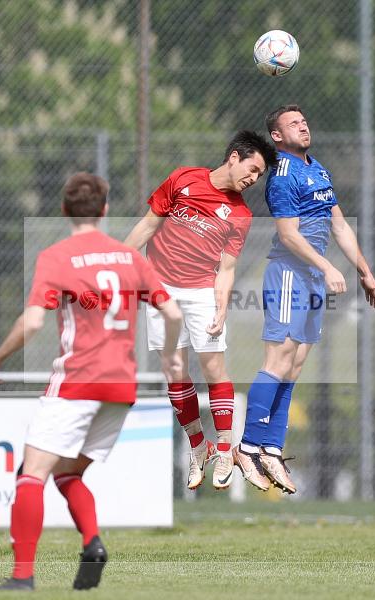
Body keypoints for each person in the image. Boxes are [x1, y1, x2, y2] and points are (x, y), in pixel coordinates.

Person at [0, 173, 183, 591]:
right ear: (106, 210)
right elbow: (174, 313)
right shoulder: (130, 258)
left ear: (64, 210)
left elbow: (34, 320)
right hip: (120, 387)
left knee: (30, 475)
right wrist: (169, 358)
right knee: (68, 474)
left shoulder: (57, 256)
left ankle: (22, 578)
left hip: (77, 382)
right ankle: (92, 544)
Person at [234, 105, 375, 493]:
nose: (303, 125)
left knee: (295, 366)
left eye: (304, 120)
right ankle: (248, 447)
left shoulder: (318, 169)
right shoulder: (282, 174)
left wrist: (363, 270)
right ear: (278, 137)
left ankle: (271, 448)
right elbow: (288, 235)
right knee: (277, 358)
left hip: (313, 278)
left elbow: (339, 224)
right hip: (288, 273)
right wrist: (328, 267)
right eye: (293, 123)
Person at [124, 130, 278, 491]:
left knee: (212, 367)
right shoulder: (183, 179)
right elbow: (148, 224)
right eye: (252, 169)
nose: (253, 179)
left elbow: (226, 268)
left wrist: (222, 306)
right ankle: (199, 447)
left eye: (259, 176)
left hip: (201, 293)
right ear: (234, 157)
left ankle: (225, 447)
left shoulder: (239, 213)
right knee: (174, 372)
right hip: (161, 290)